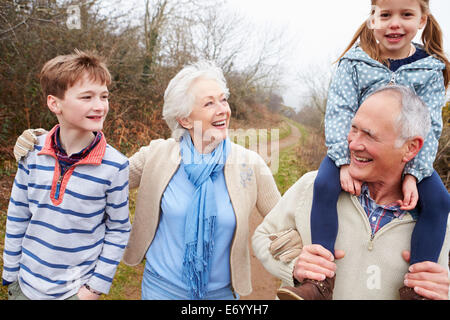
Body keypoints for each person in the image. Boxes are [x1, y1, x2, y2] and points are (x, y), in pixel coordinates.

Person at [12, 60, 287, 300]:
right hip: (160, 289)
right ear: (185, 119)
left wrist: (303, 265)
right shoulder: (157, 155)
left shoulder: (250, 164)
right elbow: (95, 172)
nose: (223, 110)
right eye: (209, 103)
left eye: (223, 99)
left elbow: (283, 225)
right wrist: (44, 141)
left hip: (222, 294)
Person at [283, 0, 450, 300]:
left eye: (406, 14)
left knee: (438, 202)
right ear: (372, 19)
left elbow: (431, 125)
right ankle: (320, 281)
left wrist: (414, 173)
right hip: (350, 151)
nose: (394, 23)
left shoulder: (430, 69)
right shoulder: (356, 62)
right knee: (324, 185)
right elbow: (339, 112)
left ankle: (418, 288)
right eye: (385, 15)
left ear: (422, 19)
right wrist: (344, 161)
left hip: (410, 160)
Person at [253, 84, 450, 300]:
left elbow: (435, 284)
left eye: (369, 135)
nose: (353, 144)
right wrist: (294, 267)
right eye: (354, 129)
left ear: (411, 148)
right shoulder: (313, 185)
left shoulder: (436, 220)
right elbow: (262, 237)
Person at [1, 50, 131, 300]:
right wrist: (11, 274)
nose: (100, 106)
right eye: (87, 97)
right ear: (54, 103)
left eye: (104, 96)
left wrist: (94, 289)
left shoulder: (115, 166)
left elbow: (118, 229)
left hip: (74, 291)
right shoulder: (31, 151)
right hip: (24, 286)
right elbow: (18, 214)